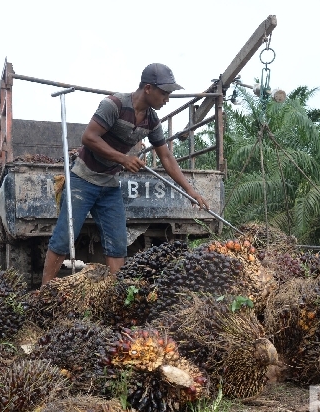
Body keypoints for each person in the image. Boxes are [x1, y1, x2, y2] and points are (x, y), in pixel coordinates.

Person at [41, 63, 209, 285]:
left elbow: (166, 157)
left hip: (109, 185)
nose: (167, 99)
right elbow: (89, 138)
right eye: (164, 93)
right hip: (83, 179)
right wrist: (123, 159)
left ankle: (117, 298)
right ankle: (44, 295)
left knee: (117, 244)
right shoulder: (114, 105)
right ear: (148, 88)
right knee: (64, 238)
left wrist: (190, 191)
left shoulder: (151, 120)